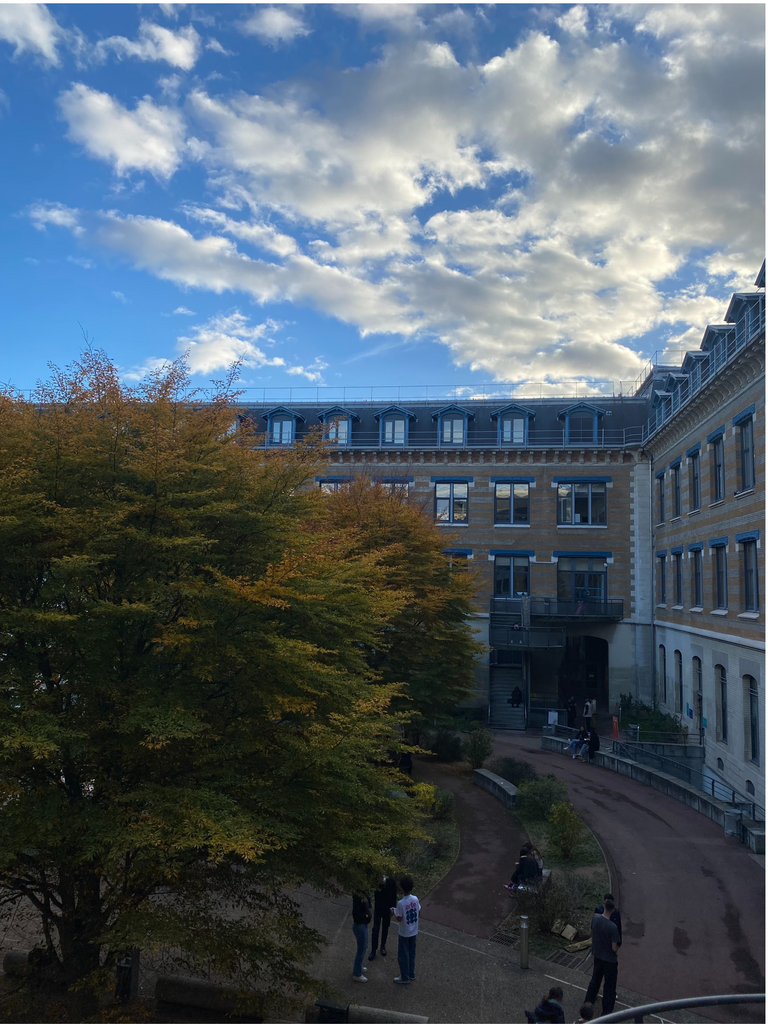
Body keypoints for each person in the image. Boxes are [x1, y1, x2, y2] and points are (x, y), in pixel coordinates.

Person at [585, 898, 620, 1015]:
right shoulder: (613, 927)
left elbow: (592, 932)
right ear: (613, 910)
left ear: (604, 907)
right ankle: (607, 1013)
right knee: (609, 987)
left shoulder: (595, 918)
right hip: (609, 961)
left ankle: (587, 1004)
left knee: (595, 981)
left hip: (597, 956)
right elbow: (614, 948)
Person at [392, 875, 420, 985]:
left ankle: (404, 977)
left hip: (404, 932)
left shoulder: (401, 903)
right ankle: (411, 973)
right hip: (414, 930)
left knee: (403, 955)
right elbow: (418, 910)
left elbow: (399, 918)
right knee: (412, 953)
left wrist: (393, 911)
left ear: (402, 889)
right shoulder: (415, 899)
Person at [369, 876, 397, 960]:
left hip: (387, 909)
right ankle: (373, 950)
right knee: (375, 929)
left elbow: (394, 895)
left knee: (385, 928)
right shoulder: (376, 883)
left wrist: (393, 908)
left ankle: (383, 946)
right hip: (378, 909)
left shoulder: (391, 882)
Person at [351, 891, 372, 982]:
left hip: (361, 924)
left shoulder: (360, 895)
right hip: (360, 925)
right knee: (362, 948)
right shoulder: (359, 897)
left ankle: (359, 967)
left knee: (363, 947)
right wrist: (366, 917)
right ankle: (357, 973)